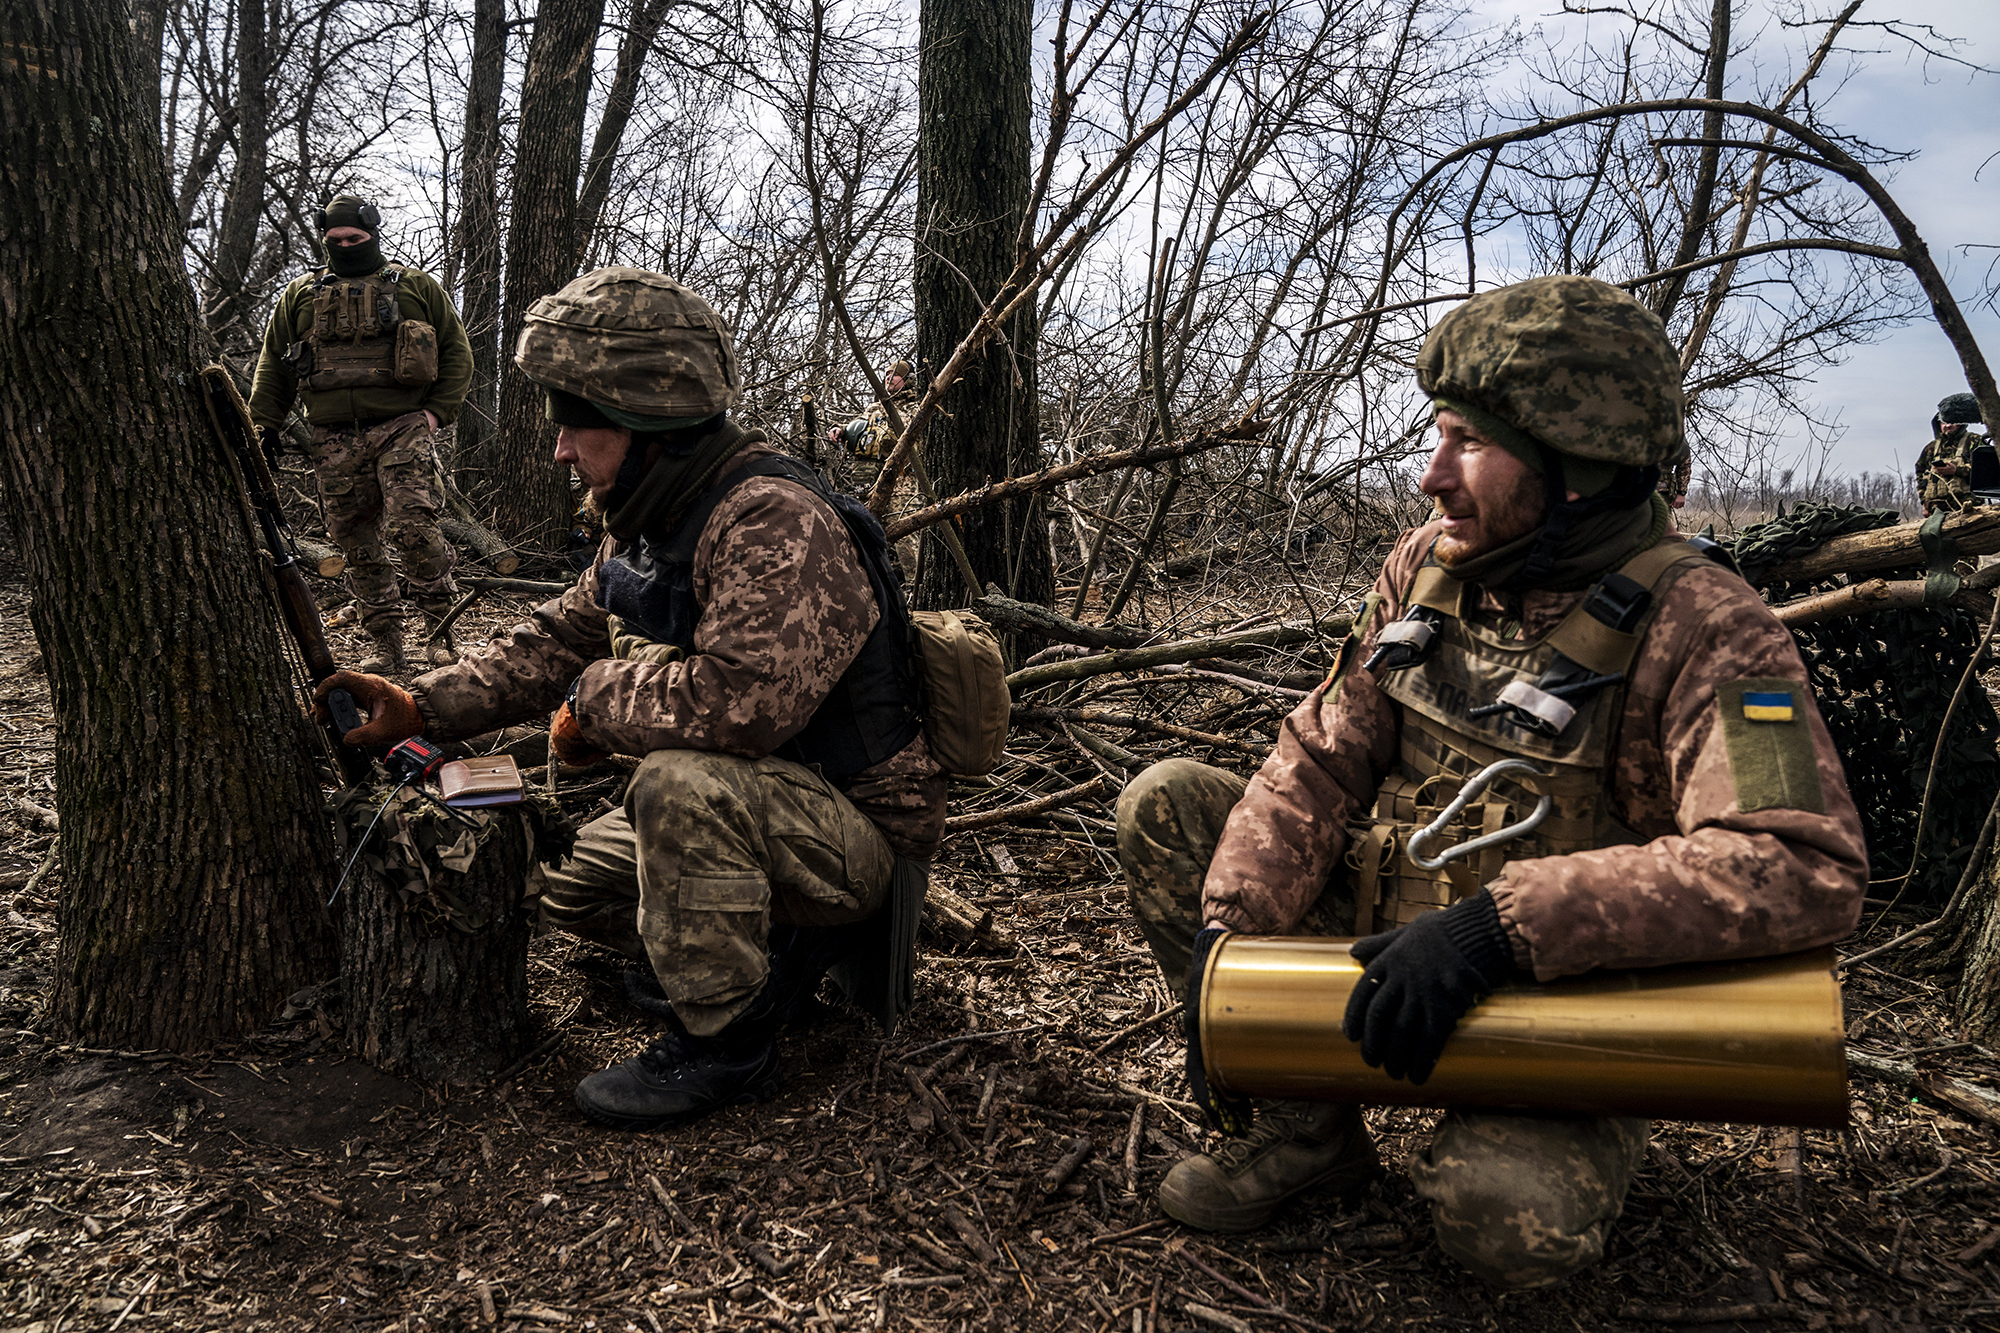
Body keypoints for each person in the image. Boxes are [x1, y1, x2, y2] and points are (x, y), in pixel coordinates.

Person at [1117, 275, 1866, 1288]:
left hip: (1559, 998)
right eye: (1436, 435)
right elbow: (1321, 754)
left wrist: (1498, 930)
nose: (1431, 475)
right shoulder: (1428, 566)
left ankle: (1555, 1132)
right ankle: (1303, 1137)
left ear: (1574, 466)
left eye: (1467, 442)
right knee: (1165, 803)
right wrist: (1227, 934)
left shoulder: (1709, 626)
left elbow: (1798, 861)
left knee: (1502, 1225)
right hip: (1386, 932)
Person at [313, 267, 946, 1129]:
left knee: (675, 784)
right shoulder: (649, 510)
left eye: (579, 424)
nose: (561, 450)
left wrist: (592, 699)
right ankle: (771, 957)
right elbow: (557, 637)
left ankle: (729, 1043)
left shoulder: (769, 516)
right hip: (775, 809)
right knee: (572, 889)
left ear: (650, 420)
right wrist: (421, 706)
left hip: (858, 829)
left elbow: (739, 707)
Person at [248, 194, 473, 671]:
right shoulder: (300, 295)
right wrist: (263, 425)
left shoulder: (414, 286)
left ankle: (441, 634)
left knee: (414, 526)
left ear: (372, 234)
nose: (346, 246)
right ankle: (387, 646)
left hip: (402, 426)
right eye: (335, 240)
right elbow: (274, 364)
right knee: (354, 539)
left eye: (355, 238)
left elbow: (456, 351)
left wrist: (435, 414)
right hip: (332, 436)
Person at [829, 360, 923, 578]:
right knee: (863, 532)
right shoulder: (875, 407)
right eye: (887, 373)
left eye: (895, 374)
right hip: (873, 479)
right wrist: (841, 431)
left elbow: (908, 438)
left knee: (905, 535)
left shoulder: (915, 405)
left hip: (903, 481)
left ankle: (917, 587)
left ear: (907, 379)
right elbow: (858, 427)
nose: (889, 377)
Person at [1916, 392, 1992, 516]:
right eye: (1944, 422)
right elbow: (1920, 474)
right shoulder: (1930, 448)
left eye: (1952, 422)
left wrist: (1957, 470)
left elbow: (1986, 472)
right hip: (1935, 510)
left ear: (1961, 422)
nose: (1948, 425)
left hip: (1967, 507)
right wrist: (1924, 503)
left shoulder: (1974, 441)